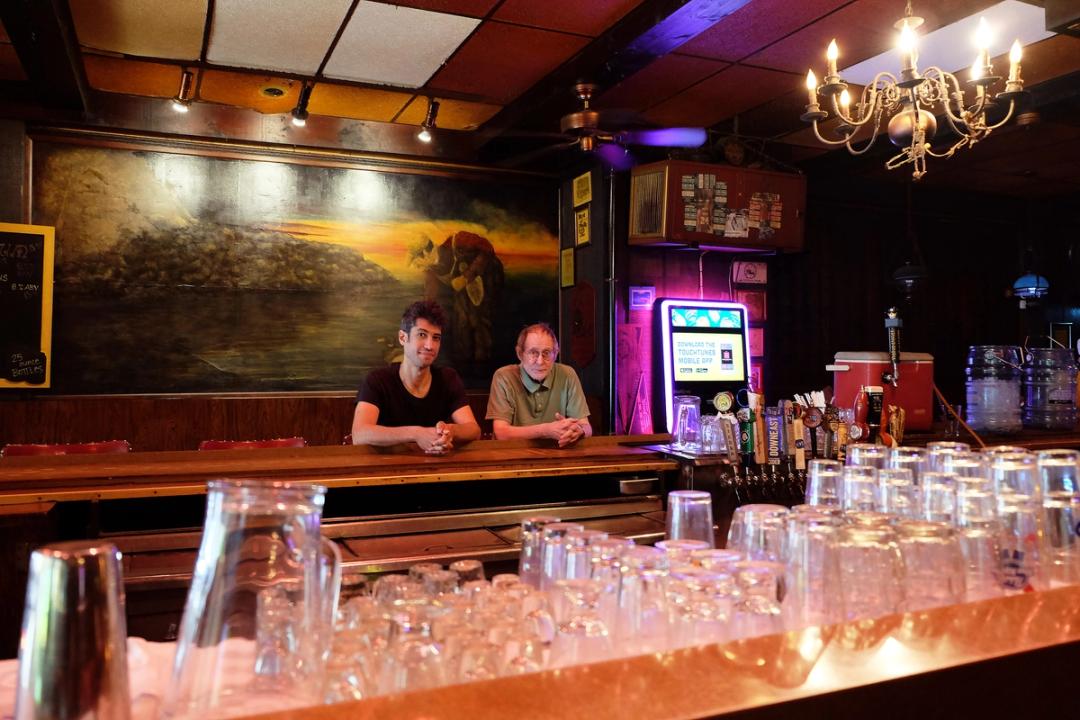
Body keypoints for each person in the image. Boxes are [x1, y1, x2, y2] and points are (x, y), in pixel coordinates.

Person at [352, 300, 480, 454]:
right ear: (402, 338)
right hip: (387, 471)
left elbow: (473, 430)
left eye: (436, 338)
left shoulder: (448, 378)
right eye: (422, 334)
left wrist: (450, 430)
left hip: (437, 471)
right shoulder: (377, 380)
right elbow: (359, 435)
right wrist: (416, 433)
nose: (429, 345)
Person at [486, 323, 592, 446]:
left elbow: (586, 427)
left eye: (546, 352)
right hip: (514, 455)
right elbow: (501, 433)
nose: (540, 361)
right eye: (533, 353)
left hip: (557, 454)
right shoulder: (504, 377)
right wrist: (546, 430)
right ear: (520, 354)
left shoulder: (567, 374)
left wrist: (579, 431)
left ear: (556, 353)